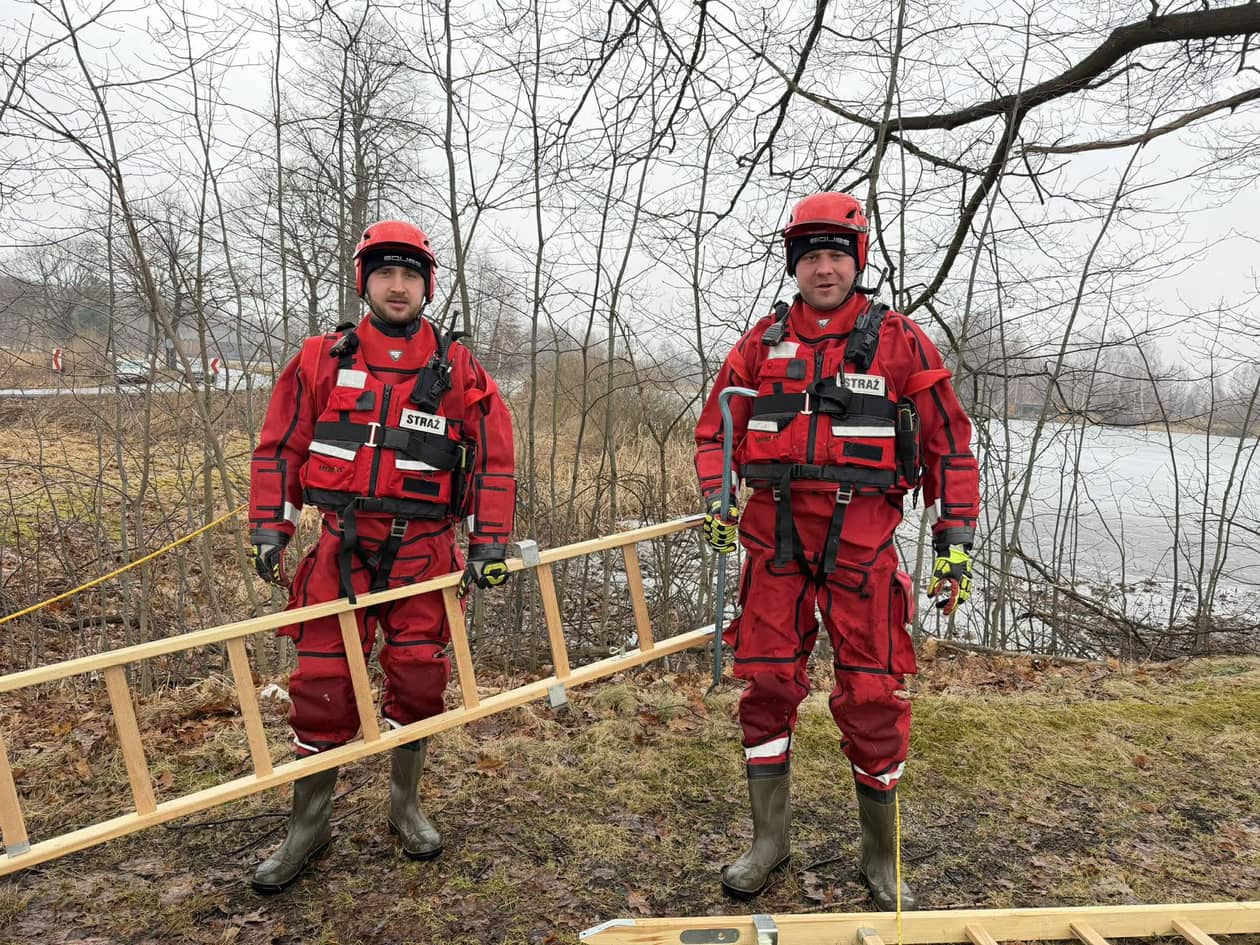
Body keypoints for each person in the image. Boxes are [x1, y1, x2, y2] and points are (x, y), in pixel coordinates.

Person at [694, 192, 980, 906]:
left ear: (857, 260)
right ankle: (768, 841)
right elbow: (714, 431)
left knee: (876, 693)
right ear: (794, 264)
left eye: (835, 256)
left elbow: (949, 444)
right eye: (810, 257)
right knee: (764, 684)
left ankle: (880, 858)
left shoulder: (901, 341)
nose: (823, 269)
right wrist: (715, 494)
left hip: (862, 550)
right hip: (775, 546)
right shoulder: (760, 344)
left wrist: (956, 537)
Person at [247, 220, 516, 892]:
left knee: (421, 678)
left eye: (411, 275)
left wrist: (489, 542)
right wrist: (269, 525)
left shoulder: (460, 371)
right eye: (385, 273)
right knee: (320, 680)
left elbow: (494, 462)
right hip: (339, 544)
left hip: (425, 550)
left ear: (428, 285)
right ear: (365, 280)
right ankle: (309, 824)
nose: (398, 286)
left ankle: (405, 805)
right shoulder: (319, 360)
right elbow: (279, 447)